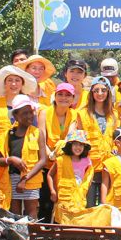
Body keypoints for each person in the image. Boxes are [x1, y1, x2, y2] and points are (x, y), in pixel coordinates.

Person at [0, 95, 46, 218]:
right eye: (24, 113)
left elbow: (43, 160)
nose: (29, 116)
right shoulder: (8, 134)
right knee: (14, 213)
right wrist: (10, 160)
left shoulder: (38, 133)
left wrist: (25, 179)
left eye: (31, 112)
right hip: (12, 179)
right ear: (16, 116)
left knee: (31, 212)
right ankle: (17, 236)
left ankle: (31, 236)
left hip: (31, 179)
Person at [37, 83, 77, 222]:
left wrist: (59, 155)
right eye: (60, 94)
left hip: (64, 161)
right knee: (45, 201)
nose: (63, 98)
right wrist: (50, 154)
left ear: (73, 98)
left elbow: (70, 138)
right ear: (55, 95)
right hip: (46, 160)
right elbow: (42, 135)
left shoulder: (74, 115)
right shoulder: (44, 112)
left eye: (68, 95)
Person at [77, 76, 119, 206]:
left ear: (108, 92)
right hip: (89, 164)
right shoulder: (82, 113)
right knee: (89, 203)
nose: (100, 94)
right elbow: (79, 138)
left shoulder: (114, 114)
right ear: (91, 93)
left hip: (108, 164)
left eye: (103, 90)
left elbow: (115, 138)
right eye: (96, 90)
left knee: (106, 203)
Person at [49, 130, 94, 222]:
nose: (78, 147)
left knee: (77, 222)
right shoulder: (61, 160)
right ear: (70, 145)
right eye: (75, 144)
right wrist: (53, 191)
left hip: (79, 199)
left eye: (81, 145)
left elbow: (87, 180)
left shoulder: (87, 162)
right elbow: (50, 174)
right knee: (62, 221)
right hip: (64, 198)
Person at [0, 64, 37, 139]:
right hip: (0, 147)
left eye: (17, 80)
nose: (13, 84)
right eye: (10, 80)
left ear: (22, 84)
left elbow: (35, 129)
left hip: (24, 146)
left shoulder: (29, 105)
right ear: (5, 83)